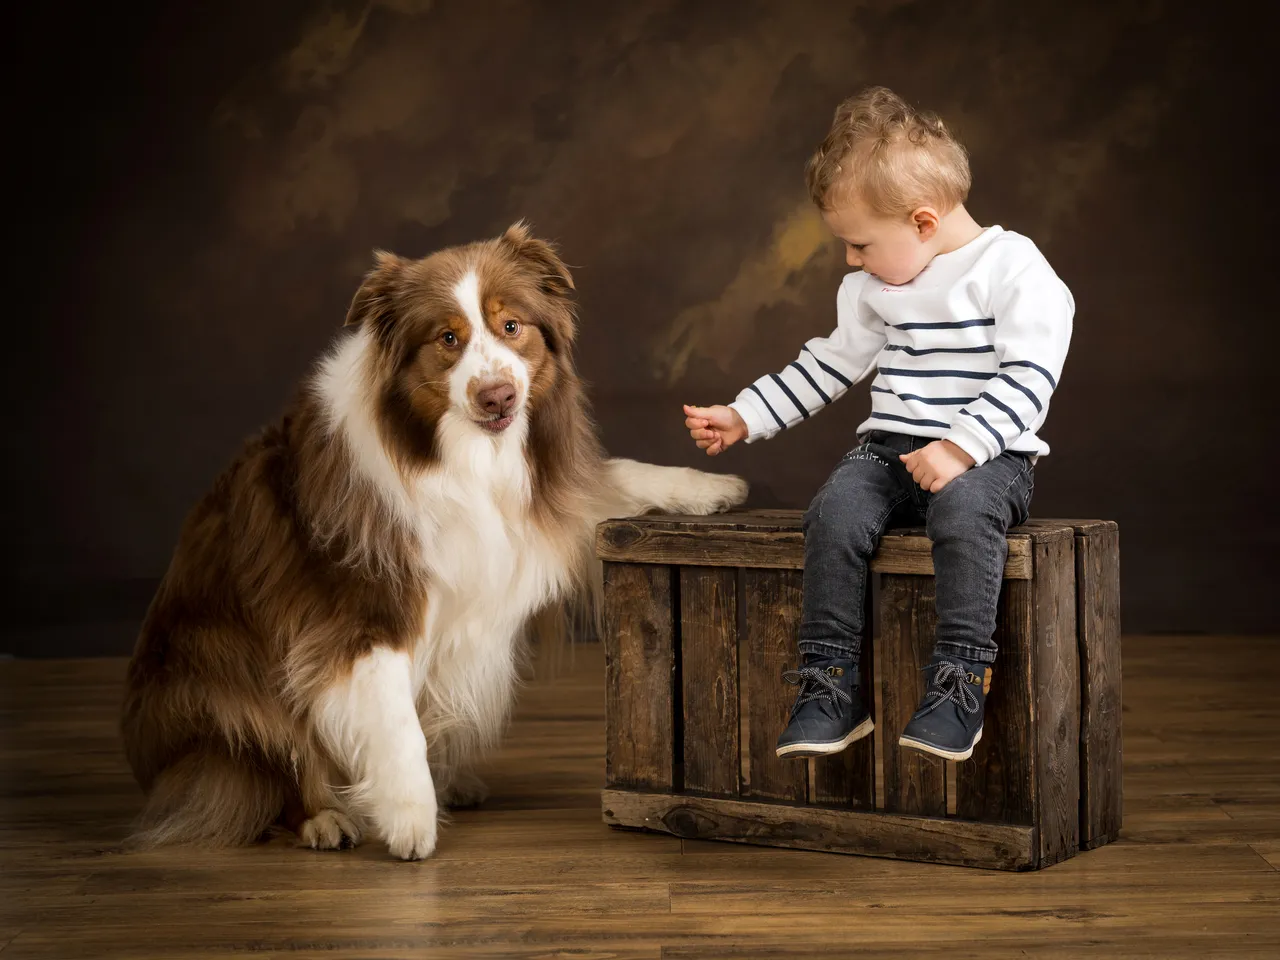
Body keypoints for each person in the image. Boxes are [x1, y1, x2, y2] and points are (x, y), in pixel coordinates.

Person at [683, 86, 1073, 762]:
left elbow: (1030, 378)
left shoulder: (1015, 270)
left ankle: (959, 681)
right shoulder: (872, 286)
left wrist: (959, 447)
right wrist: (746, 415)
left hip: (988, 457)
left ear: (924, 223)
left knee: (964, 515)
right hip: (889, 450)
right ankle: (830, 686)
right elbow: (830, 365)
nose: (850, 260)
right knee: (834, 513)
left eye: (860, 244)